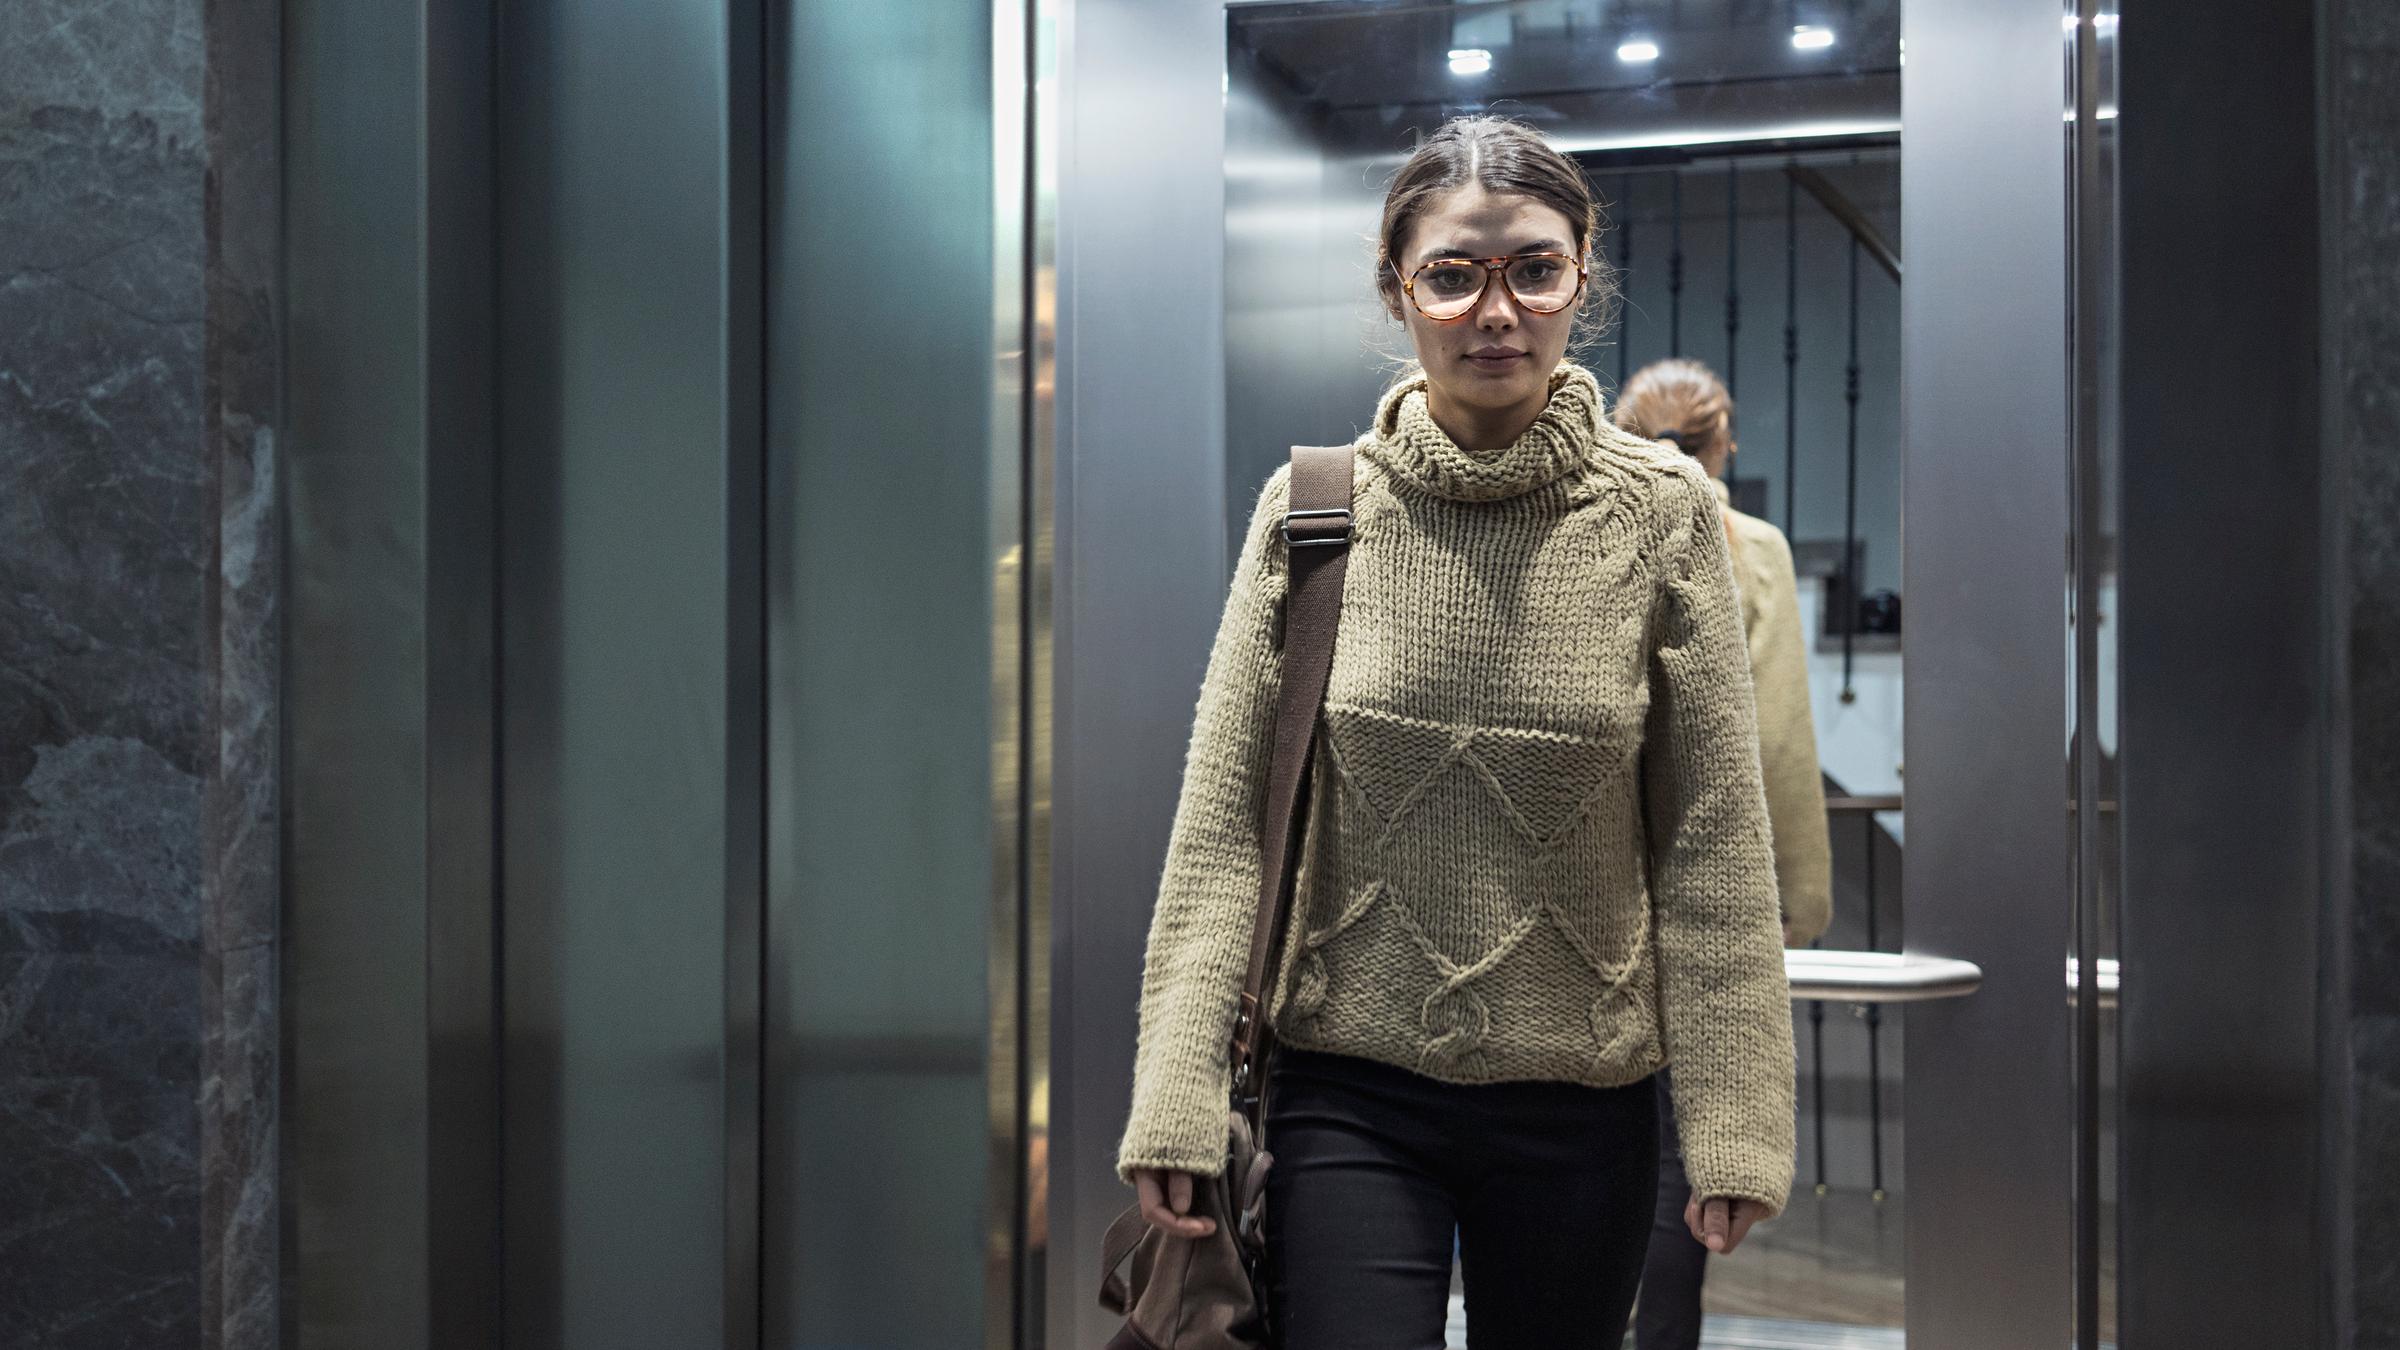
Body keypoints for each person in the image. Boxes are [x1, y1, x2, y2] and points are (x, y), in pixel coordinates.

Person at [1114, 115, 1796, 1349]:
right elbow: (1221, 829)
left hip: (1584, 1101)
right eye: (1454, 274)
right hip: (1349, 1093)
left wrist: (1737, 1115)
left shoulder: (1666, 518)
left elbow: (1711, 848)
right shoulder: (1315, 509)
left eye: (1534, 269)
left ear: (1582, 279)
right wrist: (1174, 1091)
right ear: (1399, 289)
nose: (1497, 311)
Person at [1615, 357, 1834, 1350]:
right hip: (1697, 899)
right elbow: (1777, 741)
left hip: (1583, 897)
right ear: (1726, 441)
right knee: (1676, 1169)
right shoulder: (1749, 547)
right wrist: (1798, 902)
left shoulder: (1590, 535)